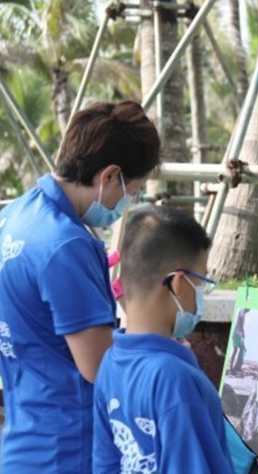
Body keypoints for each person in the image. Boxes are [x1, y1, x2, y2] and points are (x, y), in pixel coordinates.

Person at [0, 101, 159, 473]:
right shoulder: (67, 245)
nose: (127, 203)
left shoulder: (13, 218)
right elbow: (99, 366)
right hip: (69, 448)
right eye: (133, 191)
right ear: (110, 176)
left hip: (24, 440)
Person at [92, 206, 234, 474]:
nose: (201, 294)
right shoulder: (174, 378)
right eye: (201, 282)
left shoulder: (110, 362)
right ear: (178, 284)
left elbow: (105, 464)